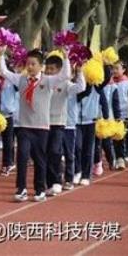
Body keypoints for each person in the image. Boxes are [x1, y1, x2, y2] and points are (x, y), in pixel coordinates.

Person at [0, 47, 71, 202]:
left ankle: (39, 189)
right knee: (22, 155)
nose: (29, 67)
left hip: (41, 127)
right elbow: (4, 72)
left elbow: (65, 75)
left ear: (40, 66)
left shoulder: (48, 80)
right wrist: (1, 54)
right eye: (28, 64)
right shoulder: (21, 79)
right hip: (24, 126)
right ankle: (21, 189)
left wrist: (66, 57)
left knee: (39, 159)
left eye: (33, 64)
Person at [44, 55, 85, 195]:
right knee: (45, 154)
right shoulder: (42, 82)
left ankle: (57, 181)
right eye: (47, 68)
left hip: (58, 123)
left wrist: (79, 72)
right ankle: (48, 183)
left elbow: (81, 87)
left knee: (55, 152)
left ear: (60, 70)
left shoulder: (65, 84)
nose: (49, 71)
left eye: (52, 69)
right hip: (42, 123)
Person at [74, 80, 101, 186]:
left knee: (88, 149)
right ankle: (77, 171)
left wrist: (106, 63)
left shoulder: (96, 85)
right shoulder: (74, 84)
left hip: (90, 120)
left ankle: (85, 175)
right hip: (75, 121)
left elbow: (106, 77)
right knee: (77, 147)